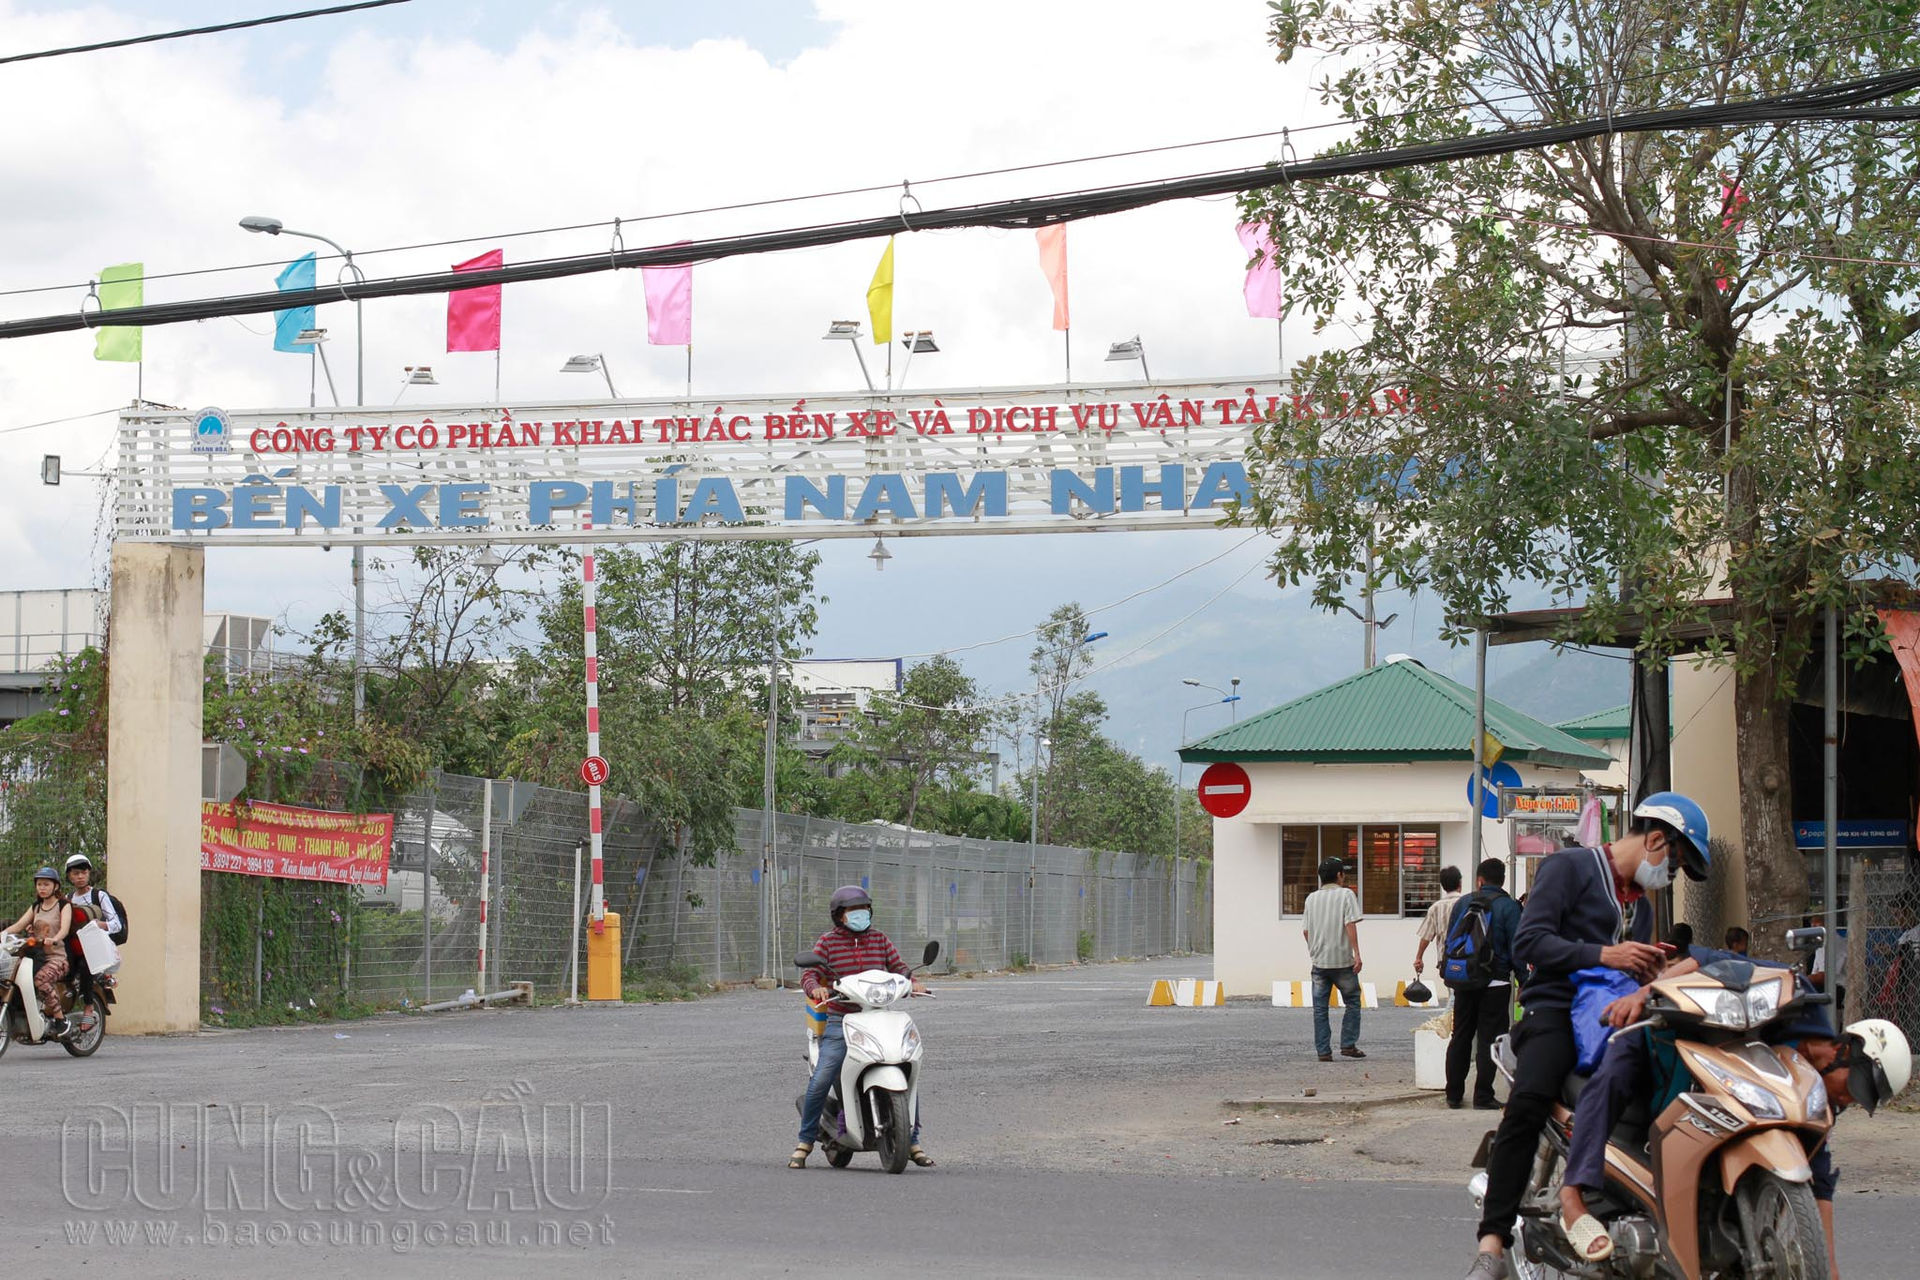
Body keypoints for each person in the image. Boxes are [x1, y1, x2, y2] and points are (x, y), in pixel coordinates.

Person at [1461, 792, 1710, 1279]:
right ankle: (1491, 1243)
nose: (1671, 876)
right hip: (1553, 1009)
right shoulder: (1569, 869)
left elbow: (1629, 972)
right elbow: (1530, 941)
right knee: (1530, 1099)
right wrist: (1605, 955)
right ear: (1656, 840)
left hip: (1614, 1016)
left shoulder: (1641, 906)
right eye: (1676, 864)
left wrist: (1652, 972)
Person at [1560, 939, 1911, 1275]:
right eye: (1852, 1088)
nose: (1847, 1100)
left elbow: (1820, 1173)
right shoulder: (1800, 997)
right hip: (1667, 1029)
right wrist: (1647, 993)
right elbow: (1707, 957)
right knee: (1614, 1075)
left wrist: (1828, 1267)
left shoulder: (1817, 1093)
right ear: (1844, 1051)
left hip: (1723, 1093)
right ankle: (1572, 1195)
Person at [792, 885, 931, 1169]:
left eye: (864, 909)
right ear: (839, 916)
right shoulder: (828, 943)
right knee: (823, 1075)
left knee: (906, 1067)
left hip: (879, 1016)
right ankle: (805, 1141)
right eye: (853, 911)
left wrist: (911, 981)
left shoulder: (879, 940)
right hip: (841, 1020)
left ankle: (912, 1139)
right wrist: (814, 988)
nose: (860, 914)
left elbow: (899, 968)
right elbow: (810, 973)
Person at [1444, 858, 1522, 1110]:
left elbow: (1450, 940)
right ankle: (1483, 1095)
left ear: (1480, 880)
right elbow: (1518, 949)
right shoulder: (1510, 907)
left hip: (1464, 979)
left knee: (1461, 1036)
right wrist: (1526, 982)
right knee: (1490, 1039)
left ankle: (1453, 1094)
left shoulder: (1463, 902)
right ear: (1502, 880)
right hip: (1496, 982)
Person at [1302, 856, 1365, 1062]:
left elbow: (1305, 931)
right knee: (1353, 1001)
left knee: (1320, 1008)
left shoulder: (1311, 898)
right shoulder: (1347, 895)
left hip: (1319, 961)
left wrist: (1313, 950)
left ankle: (1323, 1051)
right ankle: (1348, 1044)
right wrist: (1357, 953)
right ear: (1339, 875)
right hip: (1342, 961)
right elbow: (1350, 924)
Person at [5, 867, 75, 1037]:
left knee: (41, 979)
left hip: (57, 958)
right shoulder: (36, 906)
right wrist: (3, 934)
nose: (42, 888)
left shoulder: (63, 905)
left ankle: (60, 1020)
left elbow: (64, 929)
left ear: (55, 886)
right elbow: (19, 926)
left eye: (46, 884)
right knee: (10, 976)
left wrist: (55, 938)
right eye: (39, 884)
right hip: (37, 956)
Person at [1412, 865, 1465, 979]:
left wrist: (1419, 958)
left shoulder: (1435, 908)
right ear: (1460, 883)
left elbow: (1426, 937)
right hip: (1467, 960)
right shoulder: (1468, 904)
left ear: (1443, 886)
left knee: (1452, 991)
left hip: (1446, 962)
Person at [64, 854, 124, 945]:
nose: (80, 876)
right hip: (76, 949)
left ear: (89, 874)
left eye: (84, 872)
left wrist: (100, 925)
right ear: (70, 877)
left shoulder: (99, 895)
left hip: (98, 948)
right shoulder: (68, 898)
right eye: (76, 873)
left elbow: (117, 925)